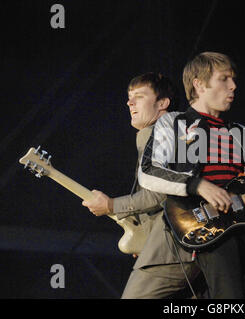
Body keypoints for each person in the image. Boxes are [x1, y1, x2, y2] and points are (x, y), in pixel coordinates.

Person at [138, 52, 245, 298]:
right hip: (208, 227)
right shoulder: (173, 123)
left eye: (233, 79)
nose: (233, 86)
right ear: (199, 84)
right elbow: (148, 172)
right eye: (224, 79)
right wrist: (199, 185)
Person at [81, 72, 202, 299]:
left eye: (139, 96)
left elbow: (160, 194)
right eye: (129, 97)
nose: (129, 102)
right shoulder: (181, 131)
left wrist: (111, 205)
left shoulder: (153, 132)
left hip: (173, 250)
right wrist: (147, 239)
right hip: (195, 247)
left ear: (162, 103)